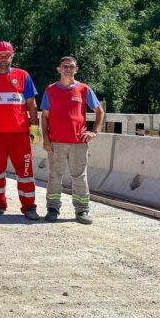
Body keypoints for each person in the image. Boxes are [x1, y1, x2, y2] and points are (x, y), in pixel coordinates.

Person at [41, 56, 105, 224]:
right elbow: (45, 117)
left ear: (76, 70)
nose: (68, 69)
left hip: (78, 143)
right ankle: (52, 209)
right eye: (65, 66)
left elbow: (99, 111)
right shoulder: (50, 90)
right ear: (59, 69)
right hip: (56, 142)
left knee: (79, 177)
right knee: (54, 176)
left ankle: (82, 210)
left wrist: (94, 131)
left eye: (71, 67)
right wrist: (46, 139)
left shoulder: (84, 89)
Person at [0, 41, 41, 220]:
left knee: (25, 172)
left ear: (12, 56)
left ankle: (29, 207)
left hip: (20, 133)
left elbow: (31, 103)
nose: (3, 59)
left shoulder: (23, 75)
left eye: (6, 55)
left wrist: (34, 127)